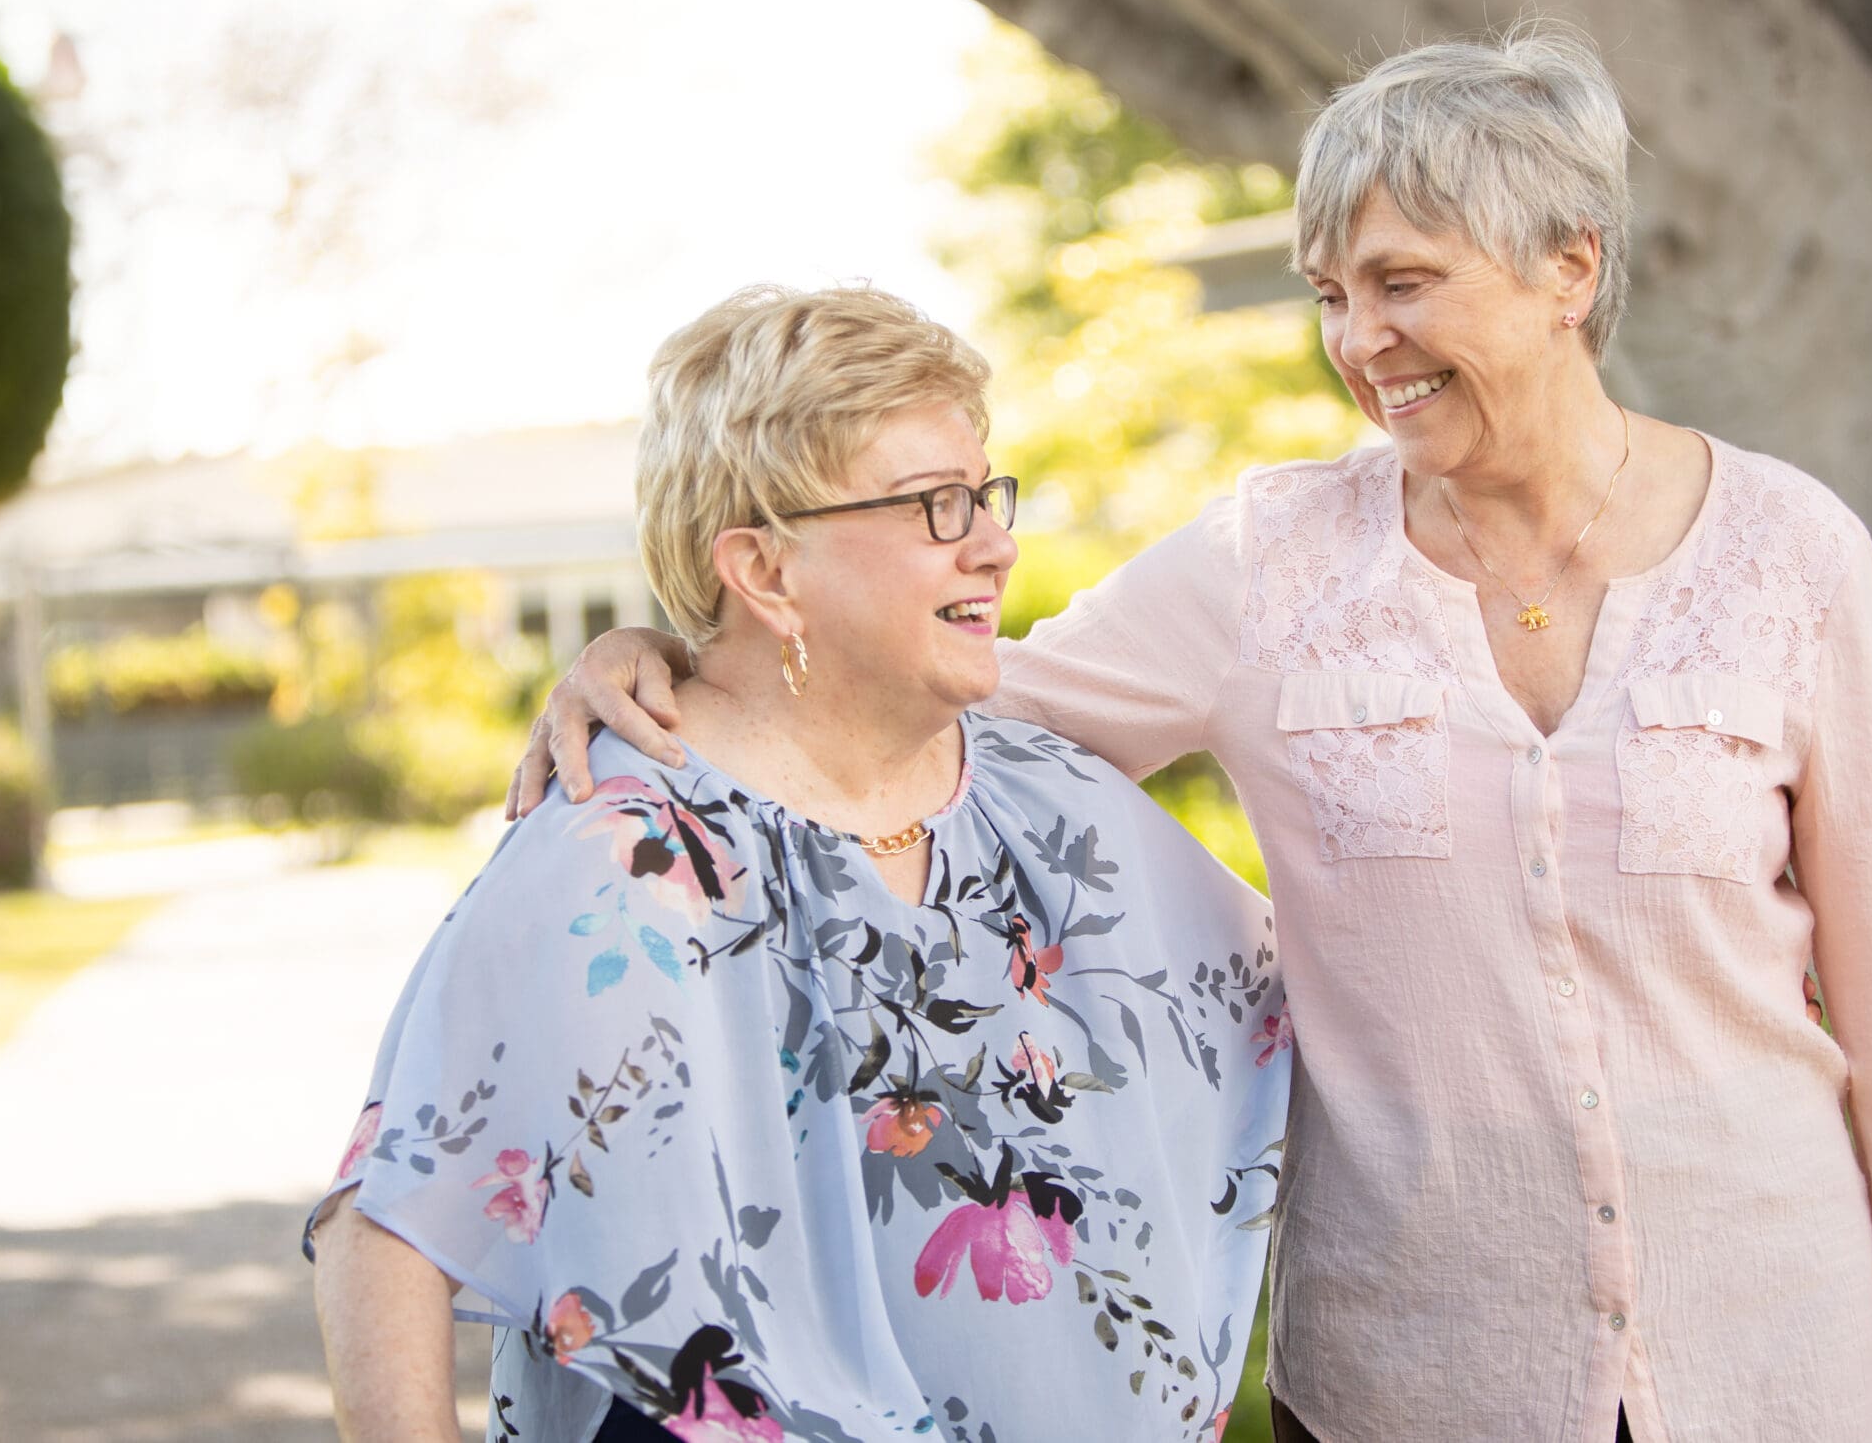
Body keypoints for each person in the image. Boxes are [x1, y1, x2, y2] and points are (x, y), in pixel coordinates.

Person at [513, 25, 1872, 1443]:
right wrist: (688, 646)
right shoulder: (1265, 561)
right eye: (1332, 293)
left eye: (1405, 282)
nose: (1359, 340)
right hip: (1417, 1373)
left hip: (1776, 1358)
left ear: (1569, 267)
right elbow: (939, 709)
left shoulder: (1787, 551)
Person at [307, 284, 1289, 1443]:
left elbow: (1316, 1016)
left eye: (984, 494)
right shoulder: (624, 850)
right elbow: (394, 1215)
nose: (994, 542)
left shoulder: (1051, 801)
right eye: (933, 505)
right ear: (765, 571)